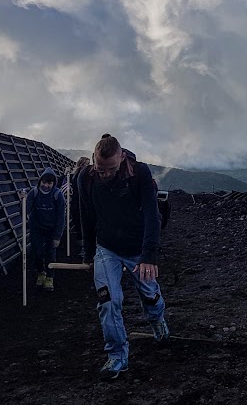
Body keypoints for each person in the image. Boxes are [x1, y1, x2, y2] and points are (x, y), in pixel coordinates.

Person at [78, 134, 170, 380]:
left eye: (110, 169)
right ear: (94, 160)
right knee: (107, 301)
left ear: (121, 157)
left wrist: (149, 256)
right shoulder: (85, 178)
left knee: (149, 295)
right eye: (100, 169)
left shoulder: (138, 173)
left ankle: (156, 318)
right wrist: (88, 253)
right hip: (106, 247)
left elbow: (153, 215)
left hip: (138, 246)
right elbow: (86, 217)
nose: (104, 174)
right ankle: (117, 355)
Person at [26, 168, 65, 291]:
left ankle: (50, 277)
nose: (46, 185)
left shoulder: (58, 195)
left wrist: (57, 236)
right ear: (40, 182)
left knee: (50, 252)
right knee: (37, 252)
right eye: (44, 182)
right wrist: (22, 201)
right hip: (36, 228)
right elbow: (24, 211)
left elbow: (61, 217)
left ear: (53, 184)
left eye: (49, 183)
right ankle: (41, 272)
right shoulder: (34, 193)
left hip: (51, 229)